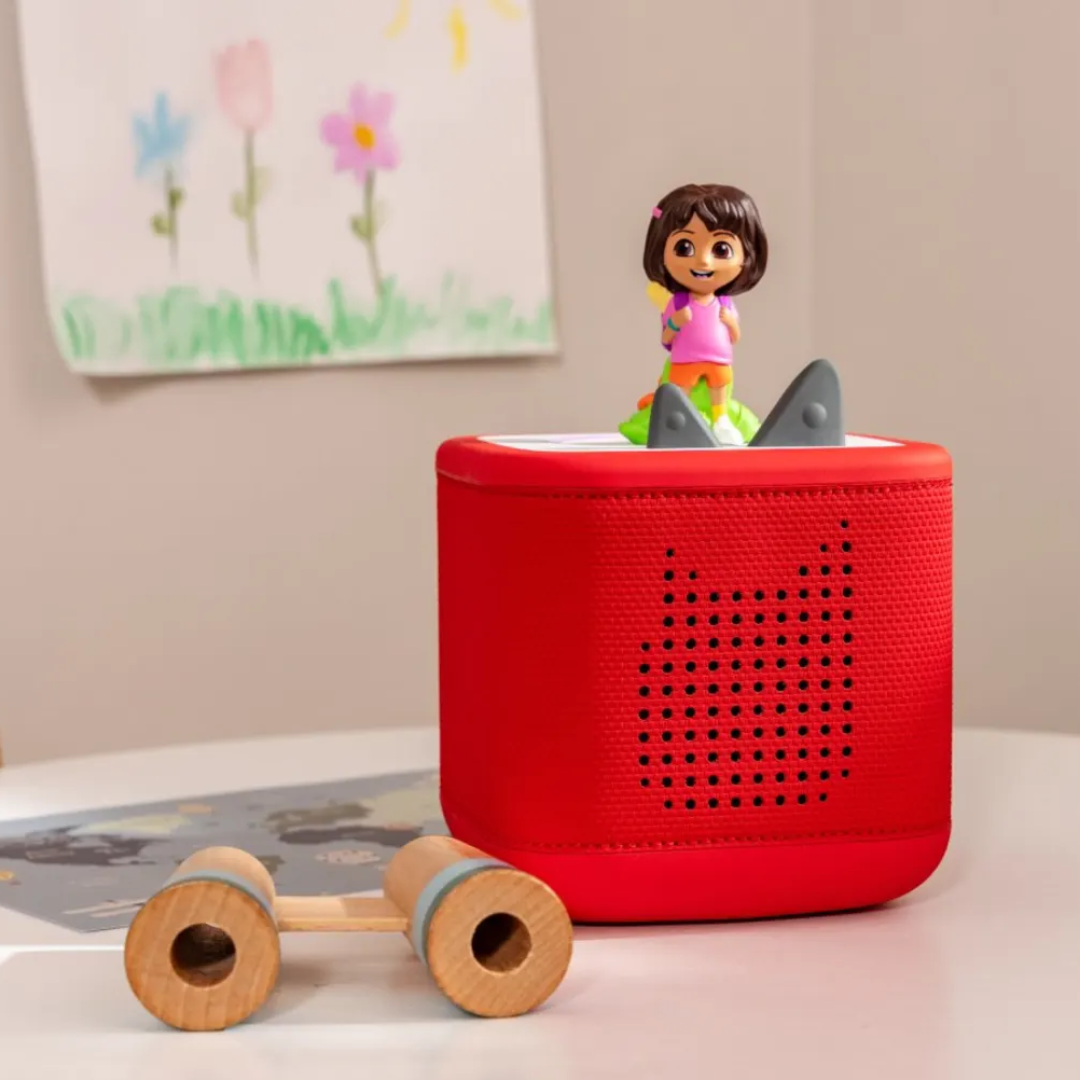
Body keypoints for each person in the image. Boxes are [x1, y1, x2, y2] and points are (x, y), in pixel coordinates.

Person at [639, 183, 768, 439]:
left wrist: (730, 322)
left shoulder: (725, 304)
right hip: (684, 360)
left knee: (720, 386)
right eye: (684, 247)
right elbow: (666, 339)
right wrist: (675, 322)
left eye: (721, 249)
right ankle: (675, 419)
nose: (703, 261)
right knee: (680, 391)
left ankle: (721, 420)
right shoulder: (677, 303)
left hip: (718, 360)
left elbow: (735, 337)